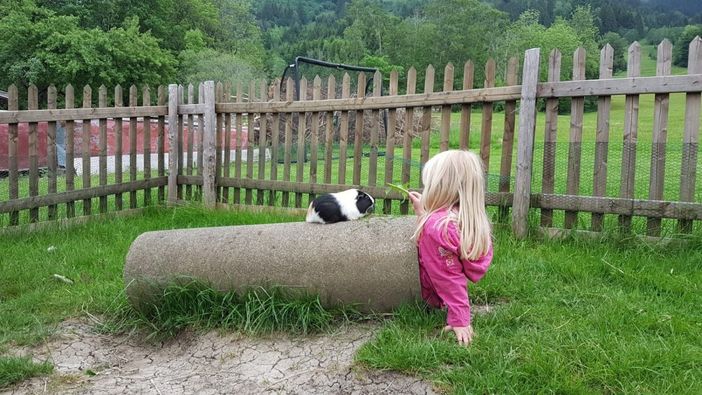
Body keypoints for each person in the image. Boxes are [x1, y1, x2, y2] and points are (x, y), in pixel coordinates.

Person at [407, 150, 493, 346]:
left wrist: (460, 319)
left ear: (440, 188)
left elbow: (447, 276)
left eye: (429, 184)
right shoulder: (457, 218)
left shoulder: (437, 228)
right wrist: (422, 212)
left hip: (429, 291)